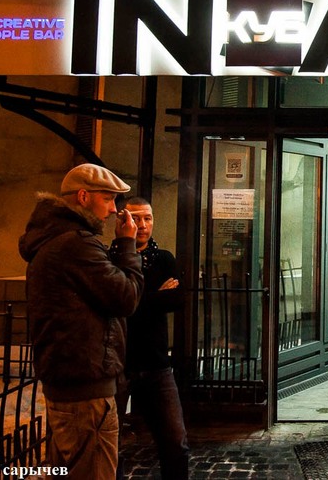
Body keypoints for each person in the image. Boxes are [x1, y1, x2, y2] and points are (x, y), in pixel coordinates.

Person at [19, 163, 143, 478]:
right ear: (84, 196)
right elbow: (126, 297)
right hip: (86, 391)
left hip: (67, 384)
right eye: (108, 199)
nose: (113, 210)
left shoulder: (53, 239)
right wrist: (127, 244)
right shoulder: (76, 244)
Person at [111, 197, 189, 479]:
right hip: (119, 363)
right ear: (121, 221)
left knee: (175, 441)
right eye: (135, 218)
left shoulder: (163, 258)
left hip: (156, 363)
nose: (142, 225)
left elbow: (177, 299)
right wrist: (156, 296)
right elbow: (116, 304)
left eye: (147, 218)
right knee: (110, 443)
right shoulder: (110, 260)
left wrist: (135, 301)